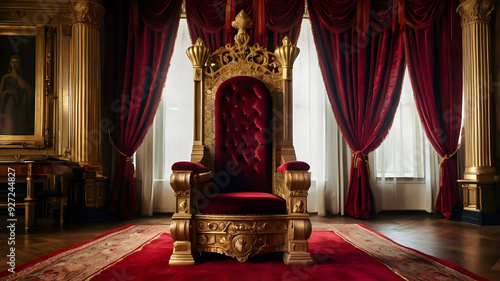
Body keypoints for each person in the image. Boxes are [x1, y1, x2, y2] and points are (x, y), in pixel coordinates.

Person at [0, 55, 34, 135]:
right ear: (10, 64)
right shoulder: (4, 77)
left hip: (19, 105)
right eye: (12, 62)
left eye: (16, 62)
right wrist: (5, 92)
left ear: (19, 64)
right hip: (7, 104)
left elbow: (24, 87)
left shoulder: (21, 78)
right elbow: (0, 92)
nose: (14, 64)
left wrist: (15, 75)